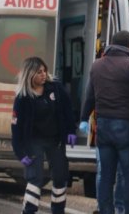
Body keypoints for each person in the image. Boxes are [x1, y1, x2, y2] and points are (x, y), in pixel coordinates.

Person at [80, 30, 129, 214]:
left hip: (104, 126)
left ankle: (105, 210)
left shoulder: (96, 66)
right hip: (128, 126)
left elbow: (89, 96)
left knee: (105, 176)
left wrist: (83, 118)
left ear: (112, 43)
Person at [11, 56, 77, 214]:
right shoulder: (22, 98)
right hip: (33, 142)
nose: (43, 74)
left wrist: (71, 131)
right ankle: (29, 210)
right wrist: (20, 153)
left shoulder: (56, 89)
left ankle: (58, 211)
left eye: (44, 71)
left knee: (60, 176)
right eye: (39, 72)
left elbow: (68, 111)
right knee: (35, 178)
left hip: (55, 140)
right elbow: (16, 128)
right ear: (29, 74)